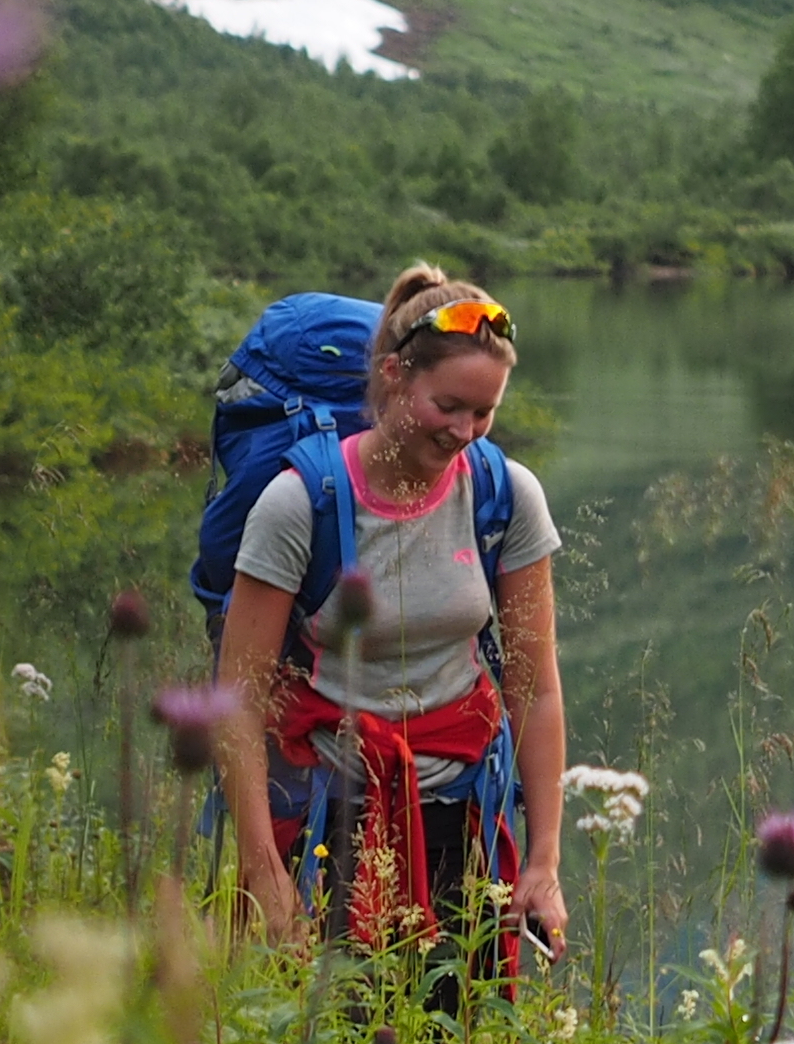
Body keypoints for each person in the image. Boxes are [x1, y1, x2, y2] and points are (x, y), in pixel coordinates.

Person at [220, 265, 569, 971]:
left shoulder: (507, 497)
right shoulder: (301, 504)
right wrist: (264, 871)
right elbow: (237, 700)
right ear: (392, 376)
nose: (466, 432)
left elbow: (535, 688)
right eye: (449, 405)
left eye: (485, 412)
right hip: (326, 825)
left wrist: (543, 863)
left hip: (463, 822)